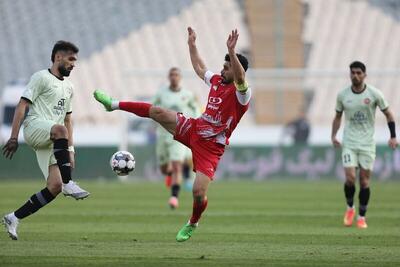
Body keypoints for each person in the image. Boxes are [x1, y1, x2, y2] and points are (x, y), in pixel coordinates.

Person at [93, 27, 251, 242]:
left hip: (212, 148)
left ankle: (193, 222)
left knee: (198, 192)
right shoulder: (216, 82)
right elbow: (199, 67)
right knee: (158, 112)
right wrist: (192, 45)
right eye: (222, 67)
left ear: (235, 69)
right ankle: (113, 104)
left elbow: (240, 77)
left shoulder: (242, 94)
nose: (222, 71)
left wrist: (232, 52)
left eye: (226, 68)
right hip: (194, 129)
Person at [2, 41, 90, 240]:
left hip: (53, 138)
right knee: (59, 130)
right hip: (35, 127)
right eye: (71, 59)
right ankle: (69, 182)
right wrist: (14, 137)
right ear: (58, 57)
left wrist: (71, 150)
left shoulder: (69, 87)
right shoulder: (41, 77)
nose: (74, 64)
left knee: (54, 186)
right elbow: (22, 105)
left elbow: (68, 119)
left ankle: (13, 217)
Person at [331, 61, 397, 229]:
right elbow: (338, 117)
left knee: (365, 181)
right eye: (353, 72)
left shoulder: (375, 94)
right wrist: (333, 135)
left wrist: (393, 136)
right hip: (350, 142)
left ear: (364, 75)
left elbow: (389, 114)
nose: (355, 75)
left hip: (367, 143)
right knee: (350, 178)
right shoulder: (343, 95)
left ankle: (361, 216)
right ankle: (350, 208)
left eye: (359, 72)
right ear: (349, 74)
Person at [152, 67, 200, 209]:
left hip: (178, 134)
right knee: (164, 169)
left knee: (177, 166)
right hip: (162, 134)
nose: (174, 77)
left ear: (180, 77)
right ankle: (171, 175)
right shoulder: (161, 93)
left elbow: (196, 108)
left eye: (176, 75)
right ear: (169, 77)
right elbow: (151, 107)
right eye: (172, 75)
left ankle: (174, 197)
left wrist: (196, 122)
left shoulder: (188, 95)